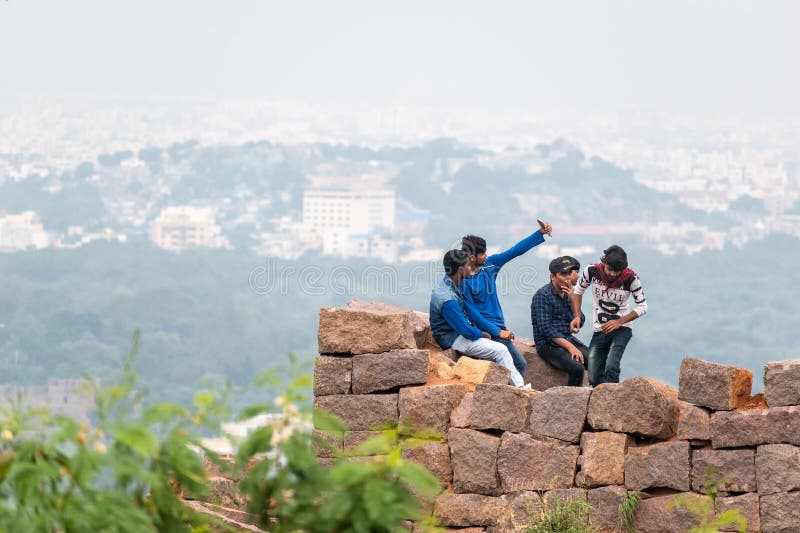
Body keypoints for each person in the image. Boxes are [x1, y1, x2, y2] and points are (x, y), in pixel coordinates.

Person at [460, 220, 553, 378]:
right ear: (471, 257)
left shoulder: (490, 265)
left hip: (498, 324)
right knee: (519, 364)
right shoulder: (463, 280)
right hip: (486, 329)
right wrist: (498, 332)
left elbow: (515, 251)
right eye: (482, 254)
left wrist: (540, 233)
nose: (486, 256)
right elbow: (472, 313)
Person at [430, 249, 525, 387]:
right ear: (461, 269)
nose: (472, 268)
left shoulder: (451, 283)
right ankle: (520, 388)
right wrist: (482, 333)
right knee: (501, 350)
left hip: (456, 332)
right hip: (453, 339)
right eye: (468, 265)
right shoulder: (447, 298)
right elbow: (466, 330)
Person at [570, 245, 647, 386]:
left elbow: (643, 306)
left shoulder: (631, 279)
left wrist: (619, 322)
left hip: (622, 328)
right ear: (604, 263)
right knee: (593, 373)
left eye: (617, 271)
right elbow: (578, 291)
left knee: (611, 365)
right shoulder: (592, 271)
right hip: (600, 329)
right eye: (610, 269)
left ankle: (614, 398)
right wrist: (576, 316)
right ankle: (602, 397)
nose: (612, 274)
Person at [530, 256, 588, 387]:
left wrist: (573, 301)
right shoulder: (543, 296)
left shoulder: (569, 294)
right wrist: (571, 347)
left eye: (568, 273)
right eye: (562, 274)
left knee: (596, 362)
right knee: (577, 368)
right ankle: (572, 399)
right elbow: (546, 329)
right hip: (547, 344)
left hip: (567, 338)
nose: (567, 278)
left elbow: (580, 320)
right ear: (552, 276)